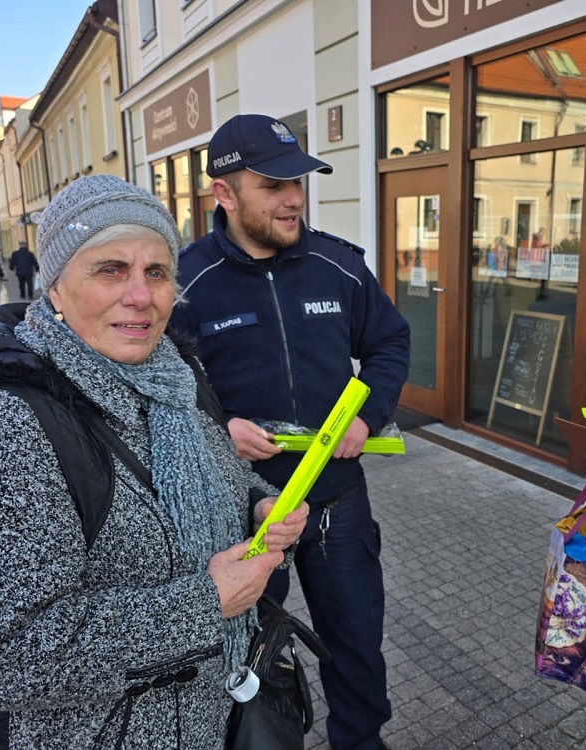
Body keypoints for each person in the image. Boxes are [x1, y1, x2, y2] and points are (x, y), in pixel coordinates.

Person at [0, 174, 307, 749]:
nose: (141, 296)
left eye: (156, 272)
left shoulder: (177, 377)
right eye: (111, 270)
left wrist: (259, 504)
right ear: (55, 289)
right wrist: (204, 604)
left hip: (211, 721)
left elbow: (224, 470)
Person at [170, 113, 411, 750]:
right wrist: (218, 430)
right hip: (244, 513)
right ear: (224, 193)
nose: (293, 198)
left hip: (337, 502)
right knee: (245, 656)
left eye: (297, 182)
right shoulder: (183, 284)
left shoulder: (340, 266)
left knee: (356, 647)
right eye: (273, 185)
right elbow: (161, 390)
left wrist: (367, 414)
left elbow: (389, 343)